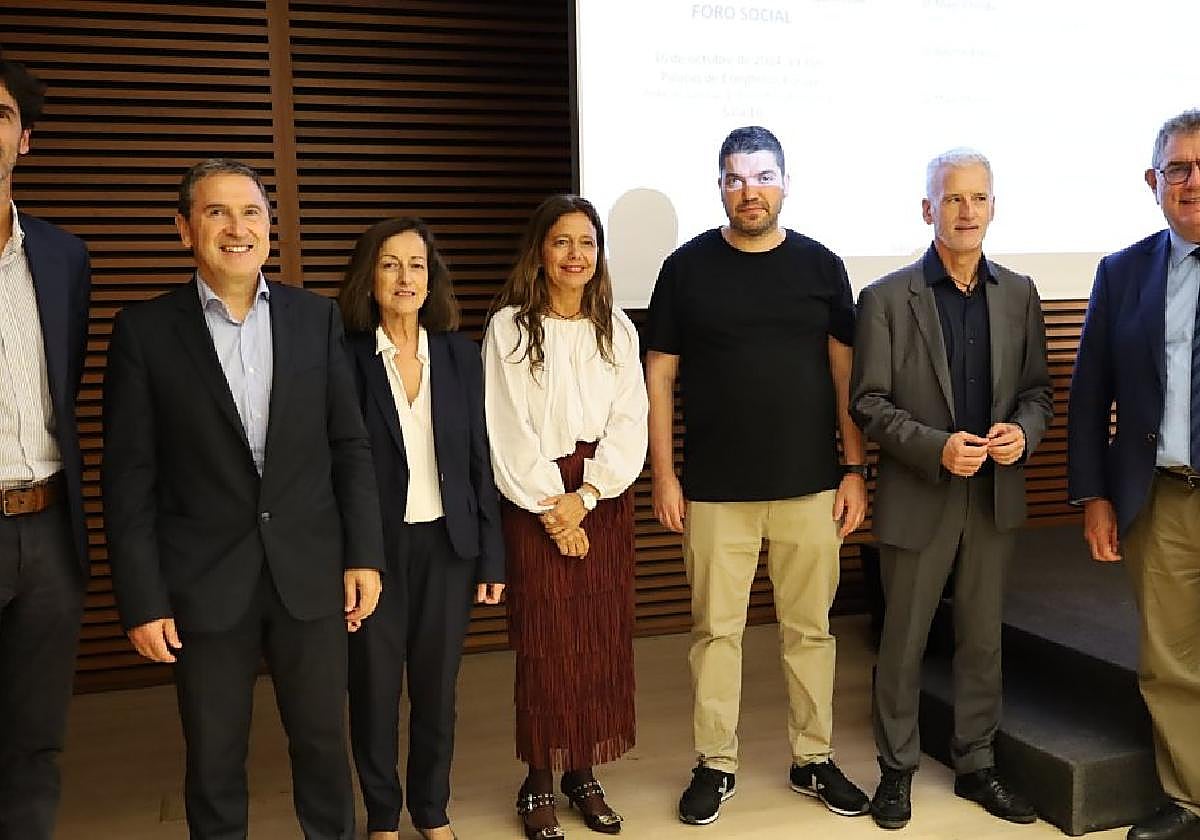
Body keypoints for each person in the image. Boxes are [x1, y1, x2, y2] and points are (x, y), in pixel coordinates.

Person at [103, 158, 385, 840]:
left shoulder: (314, 317)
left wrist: (364, 555)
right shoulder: (144, 331)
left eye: (251, 212)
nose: (237, 228)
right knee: (214, 757)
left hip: (309, 570)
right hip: (202, 580)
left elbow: (349, 446)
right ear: (184, 229)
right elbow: (129, 478)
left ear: (269, 226)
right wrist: (143, 599)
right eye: (216, 212)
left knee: (323, 745)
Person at [645, 125, 870, 827]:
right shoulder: (685, 269)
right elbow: (659, 378)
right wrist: (663, 475)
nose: (751, 191)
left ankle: (813, 757)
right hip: (714, 491)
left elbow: (844, 376)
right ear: (720, 187)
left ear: (785, 184)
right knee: (716, 634)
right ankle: (715, 763)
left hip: (812, 486)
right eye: (737, 178)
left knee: (811, 631)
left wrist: (855, 469)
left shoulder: (821, 266)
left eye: (763, 177)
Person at [851, 148, 1052, 830]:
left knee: (982, 640)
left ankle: (976, 765)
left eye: (979, 198)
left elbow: (1037, 393)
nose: (967, 211)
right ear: (927, 208)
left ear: (994, 207)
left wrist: (1024, 432)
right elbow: (868, 402)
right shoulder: (886, 298)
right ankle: (896, 771)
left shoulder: (1020, 293)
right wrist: (935, 447)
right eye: (953, 198)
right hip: (920, 492)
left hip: (994, 495)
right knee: (903, 642)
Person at [483, 194, 647, 840]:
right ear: (539, 252)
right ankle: (538, 778)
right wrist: (555, 506)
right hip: (536, 500)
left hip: (601, 498)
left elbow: (630, 421)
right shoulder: (510, 328)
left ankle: (582, 771)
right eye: (562, 242)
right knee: (547, 644)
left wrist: (589, 496)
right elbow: (505, 427)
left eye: (587, 242)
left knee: (598, 641)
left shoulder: (618, 329)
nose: (576, 255)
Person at [337, 217, 506, 840]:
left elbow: (479, 460)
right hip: (374, 553)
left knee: (437, 691)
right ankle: (383, 817)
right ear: (369, 277)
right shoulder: (344, 356)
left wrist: (491, 555)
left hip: (448, 548)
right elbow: (334, 466)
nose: (405, 278)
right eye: (390, 264)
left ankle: (432, 811)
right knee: (375, 690)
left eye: (416, 265)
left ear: (431, 279)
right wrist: (348, 555)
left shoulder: (458, 355)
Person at [1068, 109, 1200, 840]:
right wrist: (1094, 494)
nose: (1192, 181)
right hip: (1163, 495)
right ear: (1154, 181)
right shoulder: (1122, 272)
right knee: (1169, 661)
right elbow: (1091, 392)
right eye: (1178, 167)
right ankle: (1191, 801)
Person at [0, 54, 92, 840]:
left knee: (34, 738)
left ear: (24, 138)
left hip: (50, 528)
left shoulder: (63, 257)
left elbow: (67, 381)